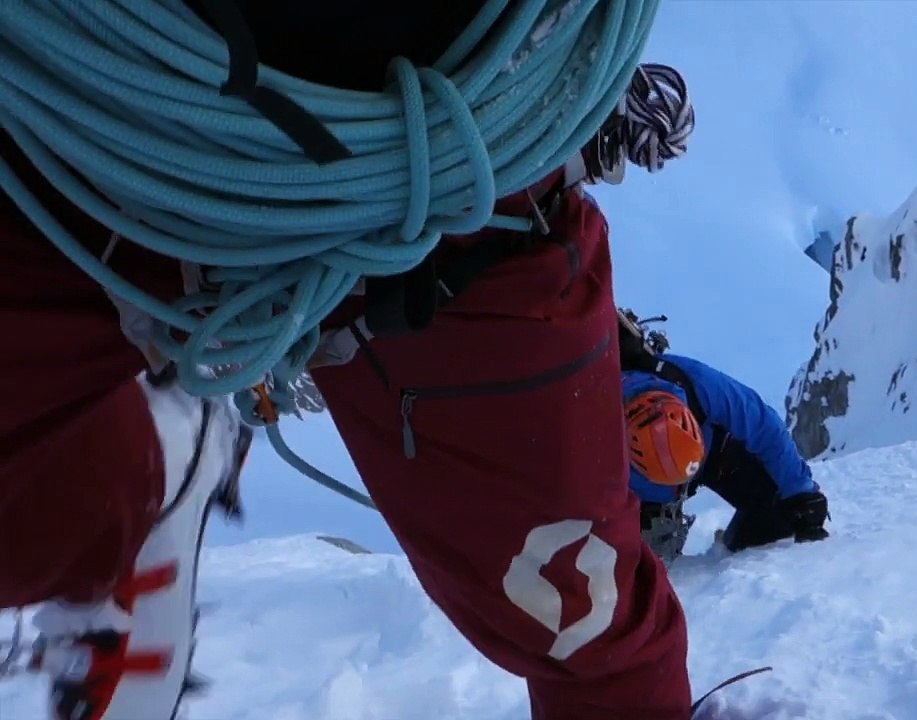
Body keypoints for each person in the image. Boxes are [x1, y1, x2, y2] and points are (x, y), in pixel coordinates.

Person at [0, 4, 706, 719]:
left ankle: (124, 464)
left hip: (465, 194)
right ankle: (131, 472)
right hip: (100, 126)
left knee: (586, 631)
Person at [616, 312, 831, 563]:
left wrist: (801, 493)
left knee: (781, 514)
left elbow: (763, 426)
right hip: (635, 495)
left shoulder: (691, 383)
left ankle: (731, 546)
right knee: (636, 569)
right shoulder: (588, 433)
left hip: (715, 454)